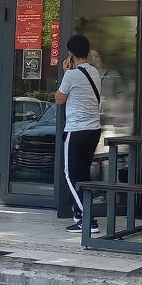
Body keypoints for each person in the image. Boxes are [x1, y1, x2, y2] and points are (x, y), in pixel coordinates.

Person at [55, 34, 102, 233]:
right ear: (88, 51)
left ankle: (88, 219)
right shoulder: (95, 72)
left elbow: (59, 98)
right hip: (93, 131)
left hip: (76, 131)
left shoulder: (71, 75)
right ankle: (80, 213)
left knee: (70, 174)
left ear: (71, 54)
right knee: (83, 173)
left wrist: (66, 71)